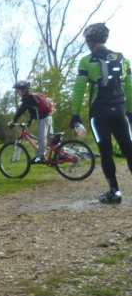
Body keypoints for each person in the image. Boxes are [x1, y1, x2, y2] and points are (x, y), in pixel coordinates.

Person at [70, 22, 132, 204]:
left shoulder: (86, 61)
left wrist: (75, 116)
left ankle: (115, 192)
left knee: (105, 152)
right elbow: (129, 86)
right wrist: (130, 111)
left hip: (99, 114)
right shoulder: (123, 59)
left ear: (90, 41)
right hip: (120, 111)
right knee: (129, 148)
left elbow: (79, 89)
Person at [8, 80, 55, 164]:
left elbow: (21, 110)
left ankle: (40, 157)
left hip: (43, 119)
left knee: (42, 138)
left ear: (24, 90)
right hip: (48, 117)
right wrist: (30, 121)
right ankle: (60, 153)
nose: (17, 92)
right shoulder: (31, 97)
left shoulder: (28, 98)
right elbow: (34, 111)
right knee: (50, 138)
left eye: (18, 90)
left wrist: (13, 121)